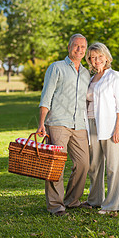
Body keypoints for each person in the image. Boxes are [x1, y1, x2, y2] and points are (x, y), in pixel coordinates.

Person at [37, 34, 90, 216]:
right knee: (56, 165)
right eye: (76, 46)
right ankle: (55, 206)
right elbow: (46, 96)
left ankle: (72, 200)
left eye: (83, 47)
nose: (79, 49)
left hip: (79, 125)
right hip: (58, 122)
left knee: (84, 163)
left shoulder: (86, 73)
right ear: (69, 47)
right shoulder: (56, 67)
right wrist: (41, 123)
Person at [84, 42, 119, 214]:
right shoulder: (89, 78)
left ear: (106, 57)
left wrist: (118, 128)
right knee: (94, 165)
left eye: (100, 56)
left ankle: (113, 204)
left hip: (110, 126)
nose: (97, 60)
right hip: (91, 124)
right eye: (93, 57)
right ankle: (95, 200)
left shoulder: (115, 76)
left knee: (112, 166)